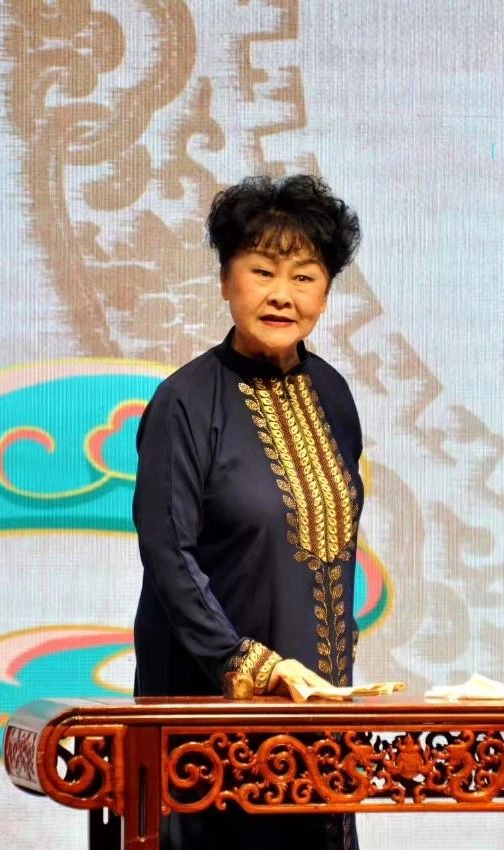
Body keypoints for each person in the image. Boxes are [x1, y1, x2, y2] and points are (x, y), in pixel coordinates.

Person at [132, 174, 364, 850]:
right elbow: (168, 555)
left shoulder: (334, 395)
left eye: (305, 277)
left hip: (317, 712)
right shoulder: (185, 402)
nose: (282, 295)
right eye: (262, 271)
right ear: (226, 282)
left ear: (326, 293)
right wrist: (246, 664)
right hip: (209, 716)